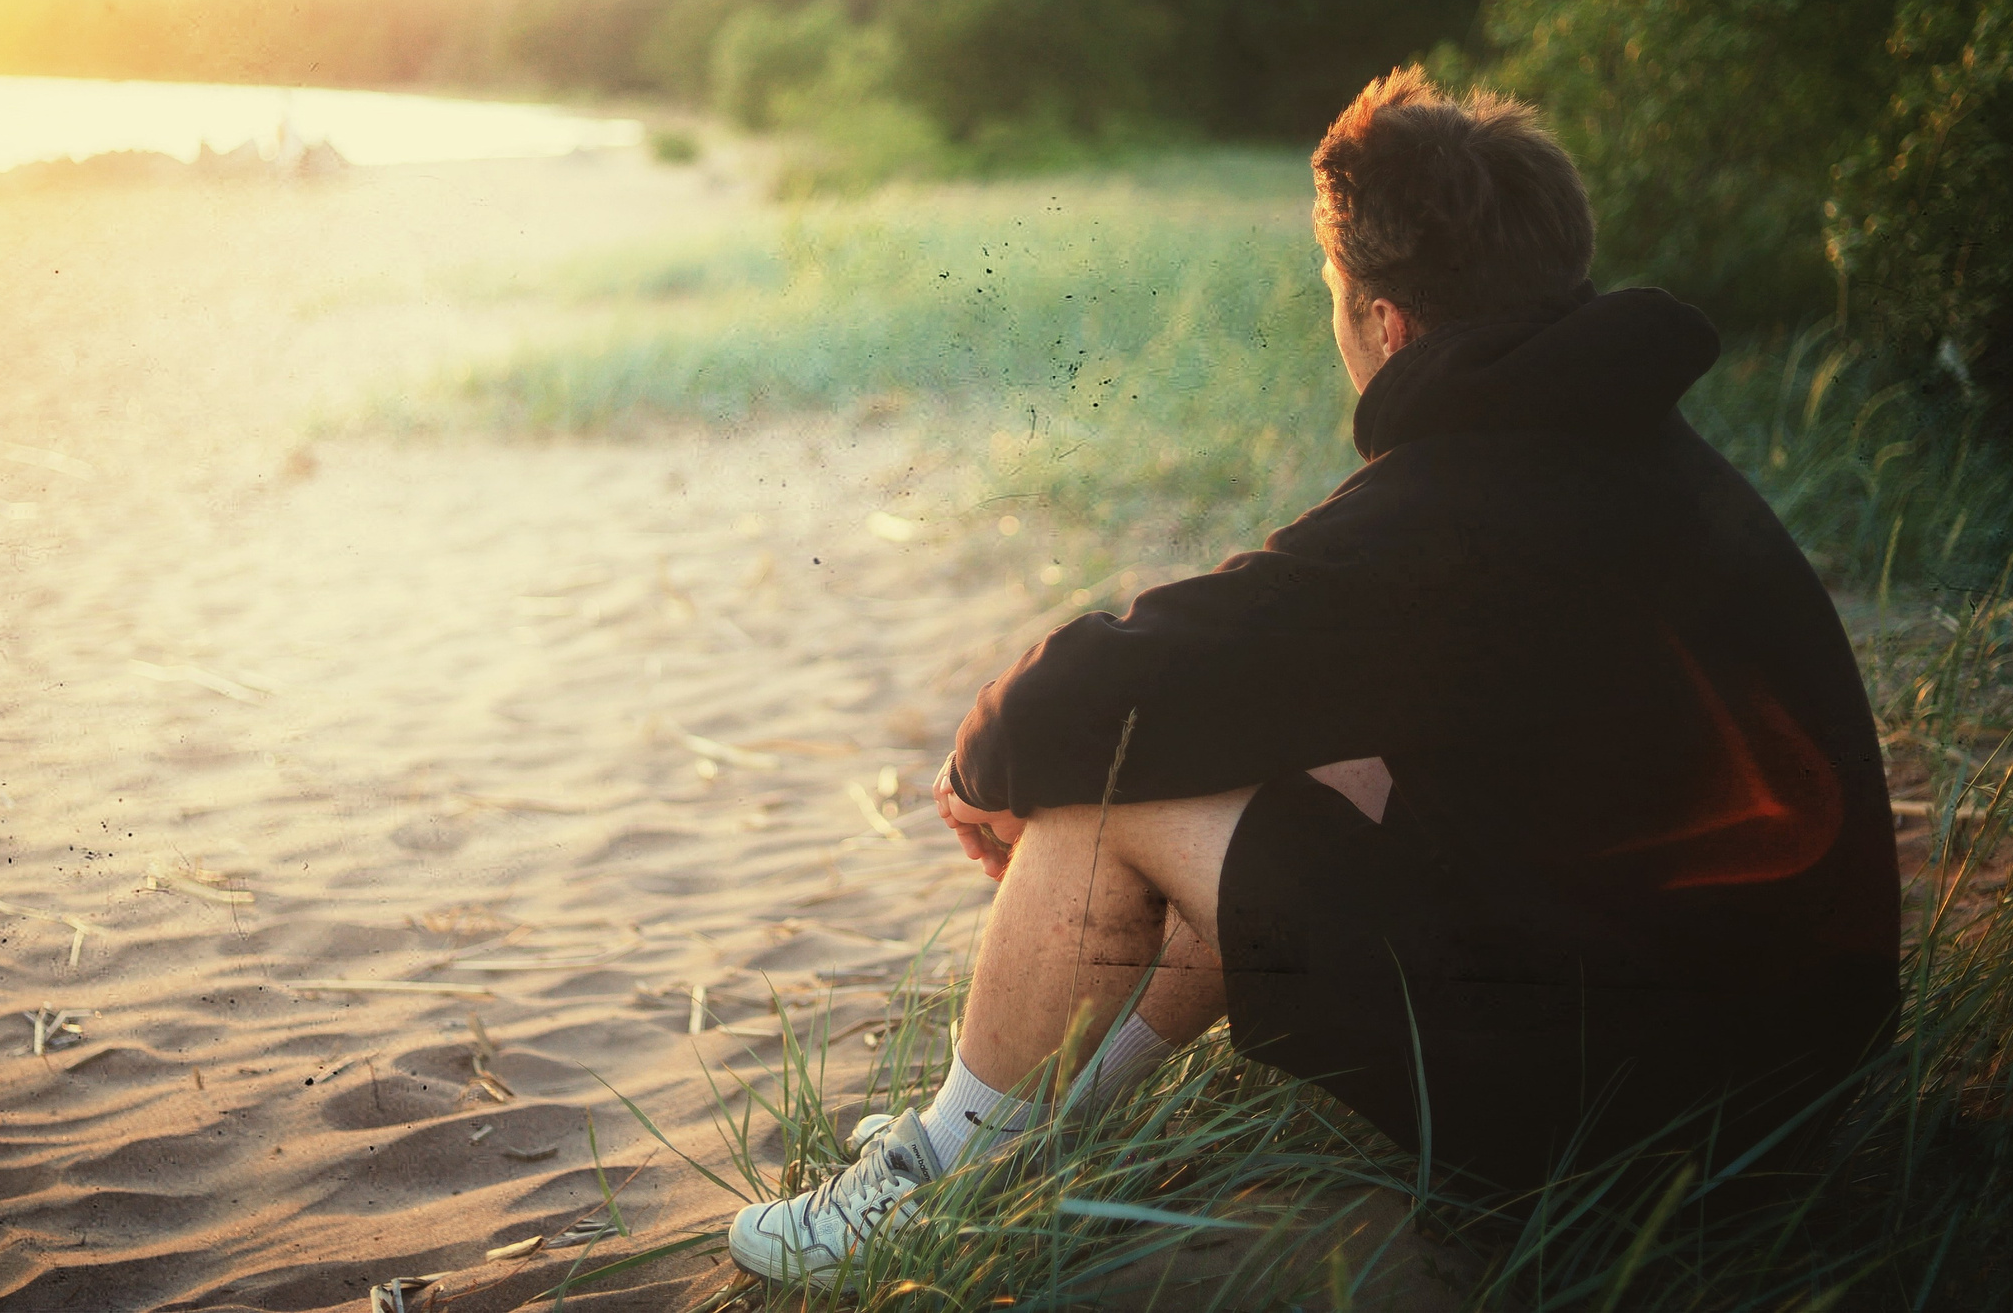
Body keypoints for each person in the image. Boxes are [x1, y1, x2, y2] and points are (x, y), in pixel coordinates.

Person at [727, 69, 1901, 1282]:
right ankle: (1025, 1136)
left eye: (1333, 301)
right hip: (1777, 1080)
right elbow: (1256, 673)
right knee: (1284, 754)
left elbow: (1104, 694)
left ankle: (939, 1184)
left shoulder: (1456, 509)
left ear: (1384, 324)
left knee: (1107, 784)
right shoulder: (1648, 458)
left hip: (1638, 1125)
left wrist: (985, 761)